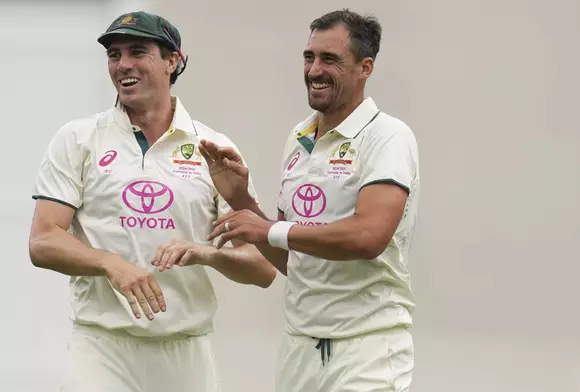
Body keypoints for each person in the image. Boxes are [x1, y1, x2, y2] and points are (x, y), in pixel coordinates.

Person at [27, 11, 276, 392]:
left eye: (138, 51)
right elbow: (43, 240)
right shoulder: (78, 139)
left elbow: (262, 269)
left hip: (186, 352)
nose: (123, 64)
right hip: (101, 349)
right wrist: (110, 264)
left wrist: (204, 253)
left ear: (173, 60)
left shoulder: (212, 148)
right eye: (114, 54)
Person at [198, 9, 420, 392]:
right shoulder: (300, 137)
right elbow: (292, 259)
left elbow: (368, 237)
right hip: (299, 346)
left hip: (366, 348)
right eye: (309, 57)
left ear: (365, 67)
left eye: (329, 59)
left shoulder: (387, 136)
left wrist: (269, 228)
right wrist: (242, 203)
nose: (314, 69)